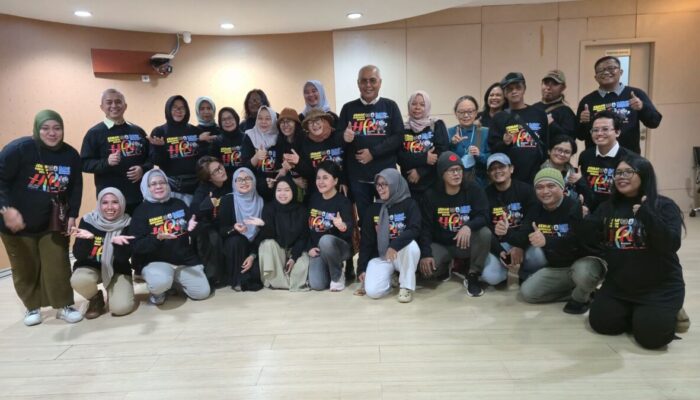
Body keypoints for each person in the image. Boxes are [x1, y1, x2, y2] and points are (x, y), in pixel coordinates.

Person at [583, 155, 687, 349]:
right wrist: (584, 221)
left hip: (659, 287)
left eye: (628, 172)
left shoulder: (663, 205)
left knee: (652, 339)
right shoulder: (608, 207)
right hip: (619, 286)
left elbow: (671, 244)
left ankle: (668, 311)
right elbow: (593, 242)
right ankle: (641, 314)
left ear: (644, 175)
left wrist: (647, 215)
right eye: (618, 173)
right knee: (603, 324)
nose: (621, 177)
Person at [0, 110, 84, 325]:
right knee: (25, 266)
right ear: (37, 129)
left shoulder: (70, 154)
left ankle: (64, 305)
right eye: (45, 128)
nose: (52, 133)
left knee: (58, 263)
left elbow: (76, 186)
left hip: (52, 220)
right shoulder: (18, 149)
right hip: (16, 222)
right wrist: (6, 209)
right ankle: (32, 307)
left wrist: (73, 215)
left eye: (57, 128)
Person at [509, 168, 605, 314]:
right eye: (540, 187)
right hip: (559, 267)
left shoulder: (576, 207)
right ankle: (584, 291)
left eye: (551, 186)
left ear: (562, 187)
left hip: (583, 261)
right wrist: (506, 233)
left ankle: (581, 297)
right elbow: (523, 234)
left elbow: (577, 241)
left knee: (583, 274)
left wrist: (547, 241)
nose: (545, 191)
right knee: (528, 293)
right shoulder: (535, 209)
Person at [130, 169, 210, 305]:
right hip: (156, 262)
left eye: (162, 182)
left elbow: (191, 231)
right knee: (160, 283)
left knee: (202, 293)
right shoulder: (141, 211)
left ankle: (173, 283)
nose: (159, 186)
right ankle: (158, 292)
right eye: (153, 184)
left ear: (167, 185)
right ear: (146, 187)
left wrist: (194, 227)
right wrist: (157, 239)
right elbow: (136, 246)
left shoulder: (179, 203)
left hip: (182, 260)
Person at [418, 151, 491, 297]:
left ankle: (473, 274)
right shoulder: (431, 195)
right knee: (427, 273)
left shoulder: (473, 189)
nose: (456, 174)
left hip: (464, 243)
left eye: (459, 170)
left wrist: (468, 226)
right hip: (442, 244)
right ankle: (446, 266)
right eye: (451, 170)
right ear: (442, 174)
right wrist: (426, 254)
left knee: (485, 233)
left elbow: (484, 216)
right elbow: (425, 227)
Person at [338, 65, 404, 222]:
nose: (368, 85)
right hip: (358, 178)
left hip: (386, 176)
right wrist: (344, 137)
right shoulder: (348, 108)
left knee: (391, 218)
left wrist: (373, 153)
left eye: (372, 80)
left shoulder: (390, 106)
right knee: (366, 219)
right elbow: (337, 140)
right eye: (363, 81)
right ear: (358, 83)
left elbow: (398, 137)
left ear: (380, 82)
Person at [81, 88, 152, 215]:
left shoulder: (138, 131)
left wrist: (143, 169)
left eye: (118, 102)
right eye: (109, 102)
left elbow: (150, 158)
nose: (114, 105)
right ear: (102, 107)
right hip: (110, 200)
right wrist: (106, 162)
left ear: (125, 106)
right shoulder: (94, 133)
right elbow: (84, 163)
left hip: (138, 196)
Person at [70, 187, 135, 318]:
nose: (109, 207)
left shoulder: (128, 223)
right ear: (99, 204)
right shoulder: (88, 221)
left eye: (115, 202)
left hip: (118, 269)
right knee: (79, 280)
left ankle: (113, 293)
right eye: (105, 202)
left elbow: (123, 259)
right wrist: (88, 240)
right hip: (90, 266)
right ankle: (95, 298)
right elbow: (79, 255)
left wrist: (117, 245)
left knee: (121, 308)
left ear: (122, 203)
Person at [576, 56, 662, 154]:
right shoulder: (587, 100)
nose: (606, 72)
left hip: (628, 157)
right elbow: (580, 136)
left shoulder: (635, 94)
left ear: (620, 72)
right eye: (601, 70)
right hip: (597, 158)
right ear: (595, 77)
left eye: (611, 68)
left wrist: (642, 107)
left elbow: (654, 122)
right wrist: (583, 122)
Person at [358, 169, 421, 302]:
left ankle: (405, 286)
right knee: (373, 292)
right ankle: (391, 277)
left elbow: (414, 229)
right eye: (378, 184)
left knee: (411, 246)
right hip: (382, 256)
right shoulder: (373, 209)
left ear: (395, 184)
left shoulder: (409, 204)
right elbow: (366, 241)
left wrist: (394, 245)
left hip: (401, 254)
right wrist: (362, 268)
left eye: (384, 184)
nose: (380, 188)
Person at [481, 153, 538, 287]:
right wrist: (499, 251)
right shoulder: (485, 194)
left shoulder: (526, 190)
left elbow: (531, 221)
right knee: (490, 277)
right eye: (493, 169)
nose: (497, 171)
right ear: (489, 173)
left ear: (511, 169)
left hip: (524, 241)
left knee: (538, 257)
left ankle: (526, 274)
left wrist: (520, 245)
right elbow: (486, 227)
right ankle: (502, 273)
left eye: (501, 167)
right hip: (500, 244)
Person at [488, 72, 549, 184]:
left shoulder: (539, 114)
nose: (514, 91)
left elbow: (546, 143)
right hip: (510, 179)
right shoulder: (499, 118)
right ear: (505, 93)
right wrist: (504, 143)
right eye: (510, 89)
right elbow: (493, 149)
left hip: (536, 175)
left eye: (518, 87)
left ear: (524, 89)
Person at [149, 95, 208, 206]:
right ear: (168, 109)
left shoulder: (195, 131)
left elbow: (203, 159)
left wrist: (203, 143)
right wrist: (160, 148)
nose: (179, 110)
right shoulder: (159, 131)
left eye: (182, 108)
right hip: (172, 187)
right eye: (175, 107)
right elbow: (155, 161)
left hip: (196, 185)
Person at [306, 161, 354, 291]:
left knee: (326, 240)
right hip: (319, 250)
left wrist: (342, 226)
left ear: (335, 181)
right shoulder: (313, 199)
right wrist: (309, 247)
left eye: (325, 178)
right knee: (317, 284)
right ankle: (331, 269)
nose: (321, 182)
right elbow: (306, 227)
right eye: (318, 178)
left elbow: (349, 230)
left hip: (340, 248)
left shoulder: (343, 201)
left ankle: (337, 276)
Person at [257, 176, 310, 290]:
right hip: (278, 250)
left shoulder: (301, 210)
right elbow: (269, 235)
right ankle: (282, 282)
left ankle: (286, 282)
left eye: (287, 190)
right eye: (279, 190)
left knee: (303, 265)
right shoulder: (269, 208)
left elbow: (303, 237)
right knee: (267, 244)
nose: (282, 194)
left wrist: (293, 257)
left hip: (296, 250)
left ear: (293, 191)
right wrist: (263, 225)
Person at [219, 168, 265, 291]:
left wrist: (252, 255)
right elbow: (221, 230)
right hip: (235, 248)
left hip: (254, 247)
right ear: (234, 183)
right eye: (239, 180)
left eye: (247, 178)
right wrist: (234, 229)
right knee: (236, 240)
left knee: (256, 275)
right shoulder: (227, 200)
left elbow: (263, 233)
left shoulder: (261, 201)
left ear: (254, 181)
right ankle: (237, 280)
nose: (244, 182)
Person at [399, 90, 449, 202]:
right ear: (409, 105)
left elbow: (442, 151)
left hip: (433, 183)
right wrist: (424, 158)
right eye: (414, 104)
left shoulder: (436, 125)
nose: (417, 107)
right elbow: (399, 156)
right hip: (409, 183)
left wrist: (420, 171)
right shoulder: (402, 128)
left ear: (427, 106)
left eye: (422, 104)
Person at [578, 110, 632, 212]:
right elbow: (583, 186)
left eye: (605, 129)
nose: (599, 133)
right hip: (590, 211)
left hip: (619, 213)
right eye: (595, 130)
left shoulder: (630, 159)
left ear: (617, 132)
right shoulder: (585, 156)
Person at [191, 156, 231, 288]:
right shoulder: (202, 190)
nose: (221, 171)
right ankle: (213, 278)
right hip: (210, 226)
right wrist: (208, 203)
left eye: (220, 167)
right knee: (213, 237)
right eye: (216, 171)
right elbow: (194, 211)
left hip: (228, 222)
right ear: (209, 178)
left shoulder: (229, 181)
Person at [294, 109, 347, 199]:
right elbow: (309, 173)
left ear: (325, 121)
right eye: (310, 122)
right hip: (317, 193)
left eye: (317, 120)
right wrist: (298, 162)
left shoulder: (337, 136)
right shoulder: (305, 143)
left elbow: (347, 161)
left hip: (340, 190)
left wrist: (343, 180)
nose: (314, 125)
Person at [447, 95, 489, 186]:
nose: (466, 115)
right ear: (456, 113)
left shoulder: (482, 132)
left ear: (476, 113)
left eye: (470, 112)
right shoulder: (449, 132)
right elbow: (443, 160)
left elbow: (492, 158)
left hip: (479, 182)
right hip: (455, 183)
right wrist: (452, 144)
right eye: (461, 112)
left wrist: (480, 155)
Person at [241, 106, 281, 201]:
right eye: (260, 118)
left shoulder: (280, 136)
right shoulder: (249, 136)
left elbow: (282, 164)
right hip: (255, 186)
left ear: (274, 120)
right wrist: (256, 157)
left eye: (268, 119)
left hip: (276, 184)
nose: (263, 122)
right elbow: (244, 168)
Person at [541, 135, 587, 202]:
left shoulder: (576, 173)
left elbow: (589, 198)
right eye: (559, 150)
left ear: (571, 155)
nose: (562, 154)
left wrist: (580, 181)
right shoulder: (538, 171)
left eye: (567, 152)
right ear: (549, 151)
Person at [532, 70, 577, 140]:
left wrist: (552, 124)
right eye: (546, 83)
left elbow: (570, 140)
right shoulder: (533, 108)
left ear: (563, 87)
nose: (548, 87)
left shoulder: (566, 112)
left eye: (554, 84)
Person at [210, 107, 244, 189]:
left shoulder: (246, 138)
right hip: (225, 184)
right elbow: (215, 165)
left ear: (236, 119)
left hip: (244, 181)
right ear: (220, 123)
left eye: (230, 118)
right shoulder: (217, 141)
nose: (227, 122)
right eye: (224, 119)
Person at [276, 107, 306, 201]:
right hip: (289, 187)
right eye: (282, 122)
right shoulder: (280, 141)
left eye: (289, 121)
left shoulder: (305, 139)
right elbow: (280, 167)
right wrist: (293, 179)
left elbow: (309, 168)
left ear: (296, 123)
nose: (285, 125)